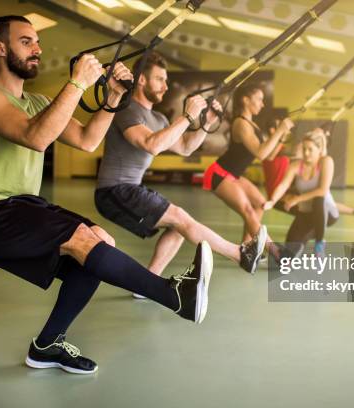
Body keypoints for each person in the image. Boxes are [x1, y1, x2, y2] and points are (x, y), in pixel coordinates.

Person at [0, 15, 213, 375]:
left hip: (21, 205)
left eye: (37, 41)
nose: (37, 48)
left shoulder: (38, 101)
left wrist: (114, 98)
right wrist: (77, 83)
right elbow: (35, 137)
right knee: (84, 242)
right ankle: (174, 296)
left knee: (99, 244)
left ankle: (46, 346)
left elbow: (88, 142)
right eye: (26, 41)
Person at [95, 52, 267, 282]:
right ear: (142, 80)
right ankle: (240, 254)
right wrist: (187, 116)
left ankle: (146, 283)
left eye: (166, 80)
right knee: (180, 217)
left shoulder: (158, 118)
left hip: (130, 188)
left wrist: (205, 124)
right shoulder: (127, 108)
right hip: (113, 191)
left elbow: (186, 147)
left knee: (179, 226)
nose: (165, 86)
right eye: (159, 79)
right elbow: (151, 144)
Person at [203, 84, 294, 244]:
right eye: (259, 99)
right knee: (247, 210)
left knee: (260, 204)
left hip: (234, 176)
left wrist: (281, 136)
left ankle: (246, 248)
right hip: (219, 173)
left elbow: (269, 156)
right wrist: (279, 130)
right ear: (245, 100)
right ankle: (275, 252)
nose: (262, 104)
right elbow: (260, 152)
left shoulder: (253, 126)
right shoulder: (240, 124)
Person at [264, 130, 354, 256]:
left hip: (326, 213)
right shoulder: (296, 166)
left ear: (319, 149)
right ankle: (296, 249)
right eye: (304, 149)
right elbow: (283, 185)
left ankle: (319, 243)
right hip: (305, 214)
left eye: (310, 149)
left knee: (318, 199)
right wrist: (272, 201)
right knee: (288, 253)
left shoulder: (326, 161)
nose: (306, 153)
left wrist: (296, 199)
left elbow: (322, 190)